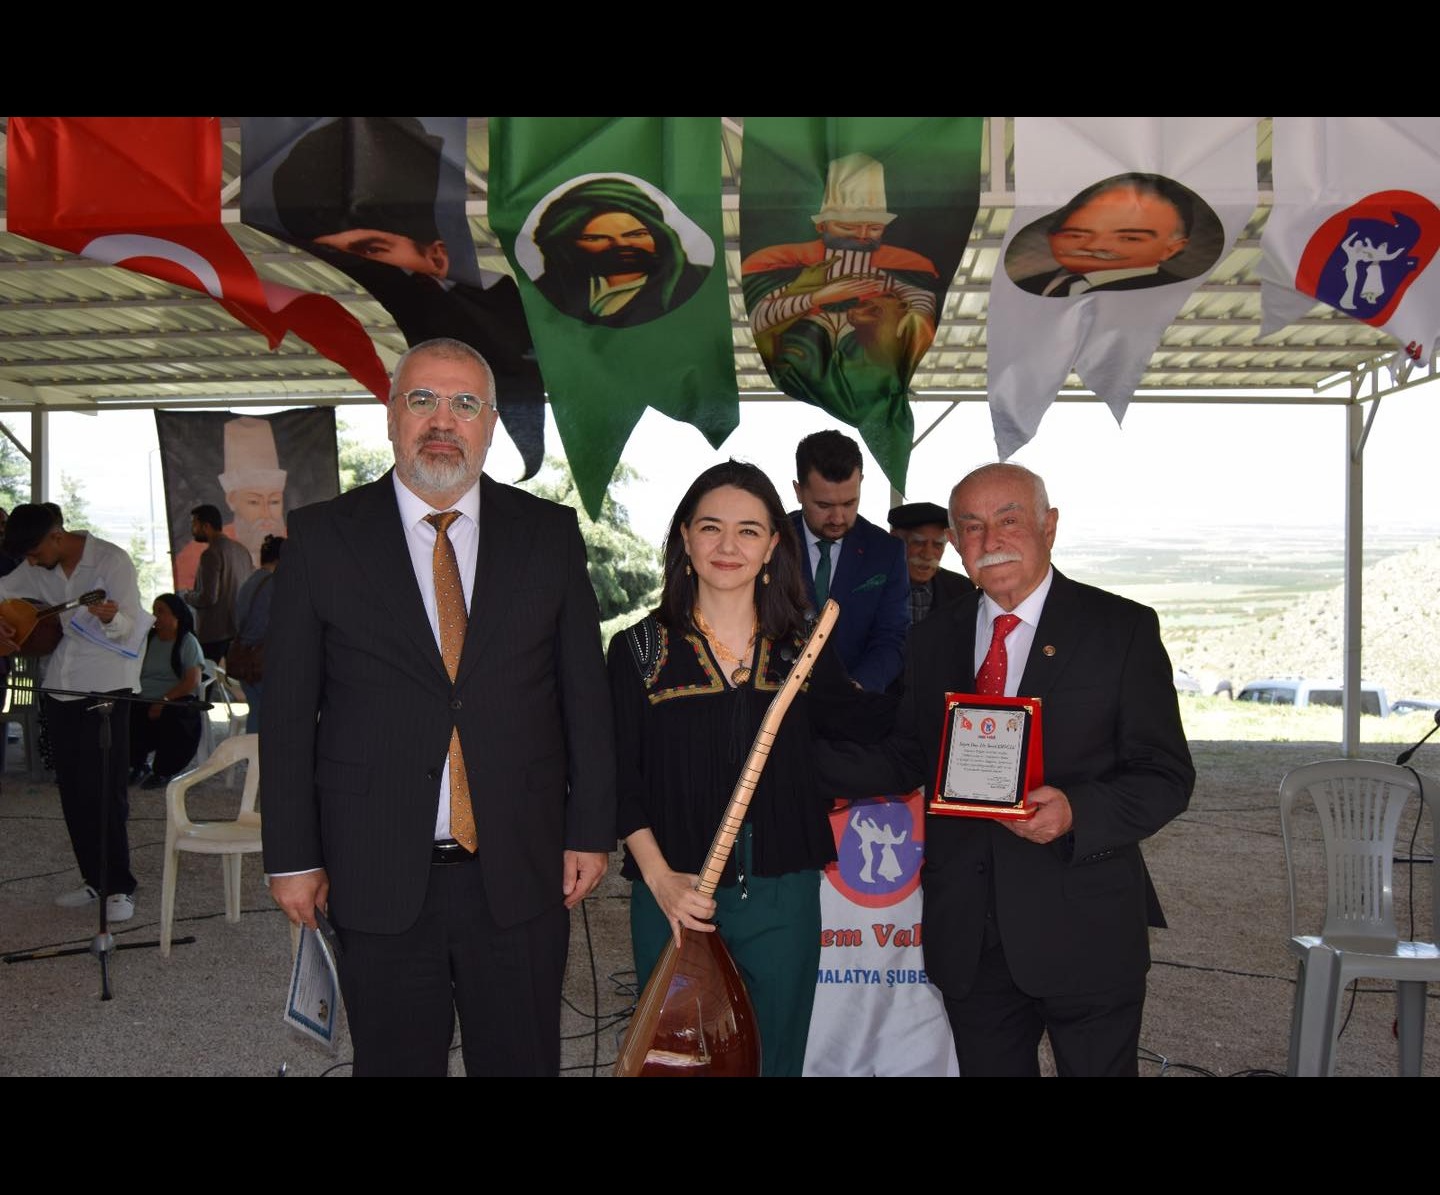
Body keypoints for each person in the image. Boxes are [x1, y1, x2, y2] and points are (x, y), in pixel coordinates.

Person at [260, 336, 616, 1077]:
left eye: (464, 403)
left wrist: (589, 830)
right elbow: (288, 715)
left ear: (491, 423)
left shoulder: (548, 535)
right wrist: (293, 856)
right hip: (375, 866)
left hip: (520, 867)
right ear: (391, 415)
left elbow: (586, 697)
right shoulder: (322, 537)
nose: (442, 420)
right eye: (422, 399)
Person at [820, 462, 1195, 1076]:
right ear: (956, 542)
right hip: (971, 934)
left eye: (1008, 520)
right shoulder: (932, 638)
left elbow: (1166, 775)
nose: (989, 540)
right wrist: (793, 766)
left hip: (1084, 926)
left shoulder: (1121, 629)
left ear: (1050, 527)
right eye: (971, 526)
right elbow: (907, 755)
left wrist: (1076, 811)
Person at [609, 460, 889, 1076]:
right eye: (711, 527)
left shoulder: (804, 646)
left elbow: (866, 731)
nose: (728, 546)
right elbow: (619, 778)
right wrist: (659, 879)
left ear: (772, 547)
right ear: (685, 539)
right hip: (673, 891)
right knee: (678, 1062)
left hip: (782, 892)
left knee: (776, 1057)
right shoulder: (640, 649)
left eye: (748, 531)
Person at [266, 116, 546, 475]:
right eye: (338, 255)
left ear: (437, 255)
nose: (361, 267)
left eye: (370, 249)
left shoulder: (510, 310)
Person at [0, 503, 147, 923]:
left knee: (106, 788)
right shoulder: (36, 567)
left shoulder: (111, 560)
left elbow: (132, 623)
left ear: (57, 536)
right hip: (61, 684)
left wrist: (113, 617)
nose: (31, 562)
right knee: (72, 788)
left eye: (35, 552)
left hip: (108, 684)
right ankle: (93, 879)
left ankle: (119, 886)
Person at [741, 152, 941, 409]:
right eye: (848, 227)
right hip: (803, 352)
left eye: (874, 228)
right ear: (822, 226)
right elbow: (761, 317)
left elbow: (916, 293)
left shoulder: (893, 269)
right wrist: (817, 298)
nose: (862, 235)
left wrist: (919, 311)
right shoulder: (790, 266)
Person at [789, 430, 908, 692]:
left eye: (849, 503)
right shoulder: (770, 542)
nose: (838, 518)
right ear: (798, 491)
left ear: (861, 482)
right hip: (773, 700)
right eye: (823, 505)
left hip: (857, 702)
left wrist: (856, 688)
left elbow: (892, 638)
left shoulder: (886, 551)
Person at [531, 177, 710, 327]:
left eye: (636, 234)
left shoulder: (693, 282)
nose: (622, 244)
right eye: (597, 238)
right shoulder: (548, 290)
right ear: (567, 246)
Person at [1014, 173, 1194, 297]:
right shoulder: (1023, 287)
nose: (1093, 246)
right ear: (1052, 237)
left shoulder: (1174, 294)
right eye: (1076, 235)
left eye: (1128, 238)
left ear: (1171, 249)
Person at [173, 416, 288, 589]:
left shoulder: (293, 542)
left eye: (274, 501)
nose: (266, 514)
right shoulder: (193, 556)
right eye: (254, 502)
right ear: (232, 500)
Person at [128, 593, 204, 789]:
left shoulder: (187, 642)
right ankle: (135, 764)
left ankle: (163, 771)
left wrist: (164, 700)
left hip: (173, 700)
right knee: (124, 711)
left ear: (176, 615)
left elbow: (192, 680)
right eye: (154, 611)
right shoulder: (148, 640)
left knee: (174, 717)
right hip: (142, 698)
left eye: (161, 612)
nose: (155, 616)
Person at [180, 502, 255, 666]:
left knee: (206, 677)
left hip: (214, 632)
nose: (192, 529)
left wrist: (186, 596)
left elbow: (208, 597)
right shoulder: (242, 550)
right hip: (238, 628)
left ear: (206, 526)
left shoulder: (211, 554)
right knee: (235, 678)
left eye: (194, 524)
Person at [888, 500, 975, 625]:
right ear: (895, 540)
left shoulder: (961, 589)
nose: (928, 555)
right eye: (918, 543)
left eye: (938, 545)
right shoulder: (871, 585)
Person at [230, 534, 282, 734]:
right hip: (264, 660)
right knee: (272, 716)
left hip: (246, 659)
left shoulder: (250, 581)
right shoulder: (274, 584)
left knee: (256, 712)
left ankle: (255, 753)